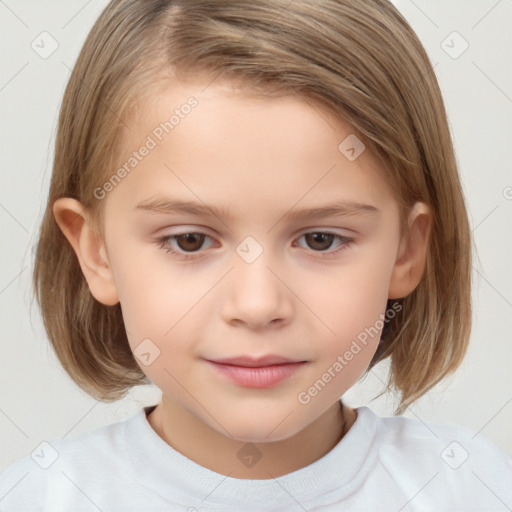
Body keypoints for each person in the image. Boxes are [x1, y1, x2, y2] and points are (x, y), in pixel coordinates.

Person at [1, 0, 510, 510]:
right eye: (190, 241)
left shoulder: (473, 490)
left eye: (320, 240)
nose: (258, 304)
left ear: (407, 249)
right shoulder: (37, 498)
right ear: (97, 253)